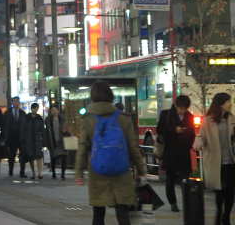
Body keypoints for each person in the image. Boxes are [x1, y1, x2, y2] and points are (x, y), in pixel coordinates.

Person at [76, 81, 146, 225]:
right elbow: (133, 147)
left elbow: (82, 147)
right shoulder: (123, 118)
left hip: (97, 170)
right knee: (123, 212)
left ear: (92, 96)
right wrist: (141, 169)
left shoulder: (88, 119)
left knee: (98, 213)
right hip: (121, 170)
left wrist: (79, 173)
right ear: (110, 95)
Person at [194, 92, 235, 224]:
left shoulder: (231, 118)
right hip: (216, 163)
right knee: (220, 193)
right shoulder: (208, 121)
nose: (231, 103)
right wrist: (198, 143)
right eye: (229, 101)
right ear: (222, 104)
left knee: (230, 193)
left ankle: (226, 217)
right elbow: (201, 136)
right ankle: (219, 215)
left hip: (231, 161)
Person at [156, 95, 194, 212]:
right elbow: (159, 130)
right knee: (170, 179)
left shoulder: (189, 116)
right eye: (180, 108)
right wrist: (174, 130)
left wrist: (186, 136)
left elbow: (192, 133)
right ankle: (173, 203)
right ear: (176, 105)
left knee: (185, 179)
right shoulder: (166, 114)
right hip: (170, 151)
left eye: (185, 108)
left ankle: (188, 203)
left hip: (184, 151)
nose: (182, 111)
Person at [2, 96, 28, 178]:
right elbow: (4, 126)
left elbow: (26, 127)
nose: (16, 103)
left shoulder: (23, 113)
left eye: (18, 102)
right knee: (11, 155)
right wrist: (4, 137)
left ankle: (22, 172)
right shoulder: (7, 113)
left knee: (23, 155)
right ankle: (10, 171)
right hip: (11, 138)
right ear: (12, 103)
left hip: (21, 137)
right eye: (15, 101)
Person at [45, 105, 68, 180]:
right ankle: (54, 173)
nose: (54, 111)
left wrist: (66, 132)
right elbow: (47, 132)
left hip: (62, 141)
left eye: (55, 110)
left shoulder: (63, 119)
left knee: (64, 157)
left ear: (58, 111)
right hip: (52, 141)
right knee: (53, 158)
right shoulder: (48, 120)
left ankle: (63, 174)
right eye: (52, 110)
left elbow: (67, 128)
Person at [23, 103, 45, 180]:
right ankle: (33, 173)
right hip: (29, 140)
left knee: (39, 157)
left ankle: (40, 173)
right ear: (31, 109)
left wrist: (42, 139)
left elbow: (42, 130)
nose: (35, 110)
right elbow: (23, 129)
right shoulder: (26, 118)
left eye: (36, 108)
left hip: (37, 140)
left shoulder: (39, 118)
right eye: (34, 108)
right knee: (31, 157)